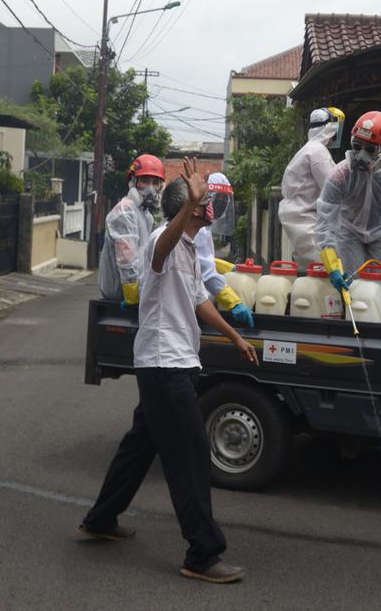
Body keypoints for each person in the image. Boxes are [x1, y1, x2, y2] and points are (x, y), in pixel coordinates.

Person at [80, 157, 258, 585]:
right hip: (165, 364)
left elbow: (198, 299)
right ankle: (202, 552)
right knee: (191, 457)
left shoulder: (192, 247)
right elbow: (158, 253)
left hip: (173, 361)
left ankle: (101, 518)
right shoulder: (165, 236)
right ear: (193, 208)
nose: (211, 206)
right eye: (205, 201)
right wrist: (186, 207)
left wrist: (232, 334)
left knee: (141, 444)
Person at [316, 111, 381, 289]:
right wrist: (332, 265)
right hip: (349, 231)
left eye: (370, 149)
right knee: (352, 284)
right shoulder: (339, 176)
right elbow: (325, 223)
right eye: (357, 147)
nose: (362, 155)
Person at [279, 107, 344, 263]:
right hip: (308, 223)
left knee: (311, 273)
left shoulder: (308, 149)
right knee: (322, 271)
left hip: (301, 221)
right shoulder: (318, 152)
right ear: (332, 129)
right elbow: (334, 187)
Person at [98, 154, 165, 307]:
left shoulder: (146, 216)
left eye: (155, 182)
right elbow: (126, 260)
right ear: (133, 182)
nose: (150, 188)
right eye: (145, 181)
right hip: (118, 294)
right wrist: (133, 297)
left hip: (137, 292)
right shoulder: (125, 211)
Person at [197, 172, 253, 328]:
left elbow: (202, 258)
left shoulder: (204, 227)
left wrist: (232, 268)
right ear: (208, 198)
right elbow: (207, 273)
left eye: (225, 200)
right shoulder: (198, 229)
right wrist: (234, 303)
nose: (221, 205)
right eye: (218, 199)